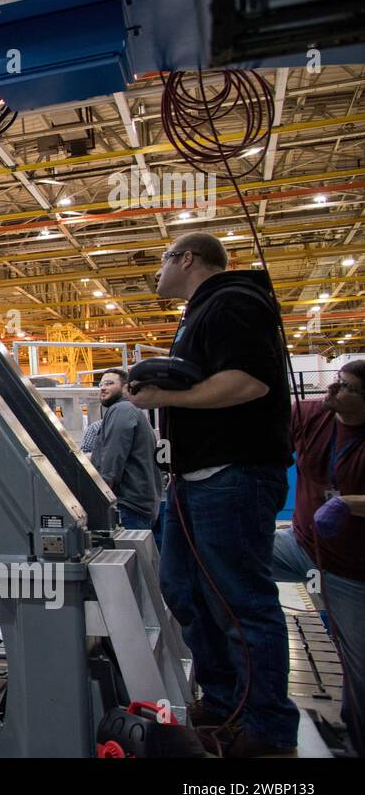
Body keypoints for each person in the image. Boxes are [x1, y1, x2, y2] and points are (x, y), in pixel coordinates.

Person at [127, 232, 298, 757]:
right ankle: (224, 700)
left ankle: (268, 728)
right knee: (185, 590)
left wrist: (163, 396)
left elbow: (248, 383)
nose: (156, 273)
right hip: (197, 478)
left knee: (241, 601)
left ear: (186, 258)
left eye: (161, 261)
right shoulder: (201, 312)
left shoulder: (233, 302)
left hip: (233, 475)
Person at [283, 362, 365, 754]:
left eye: (345, 387)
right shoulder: (315, 415)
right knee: (224, 563)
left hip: (350, 569)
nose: (332, 390)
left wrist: (348, 504)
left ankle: (356, 741)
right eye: (335, 382)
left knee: (359, 668)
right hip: (299, 543)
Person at [93, 368, 162, 533]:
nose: (102, 388)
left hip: (128, 506)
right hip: (139, 505)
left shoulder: (121, 409)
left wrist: (102, 499)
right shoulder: (130, 411)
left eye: (109, 383)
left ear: (125, 388)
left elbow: (113, 455)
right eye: (101, 384)